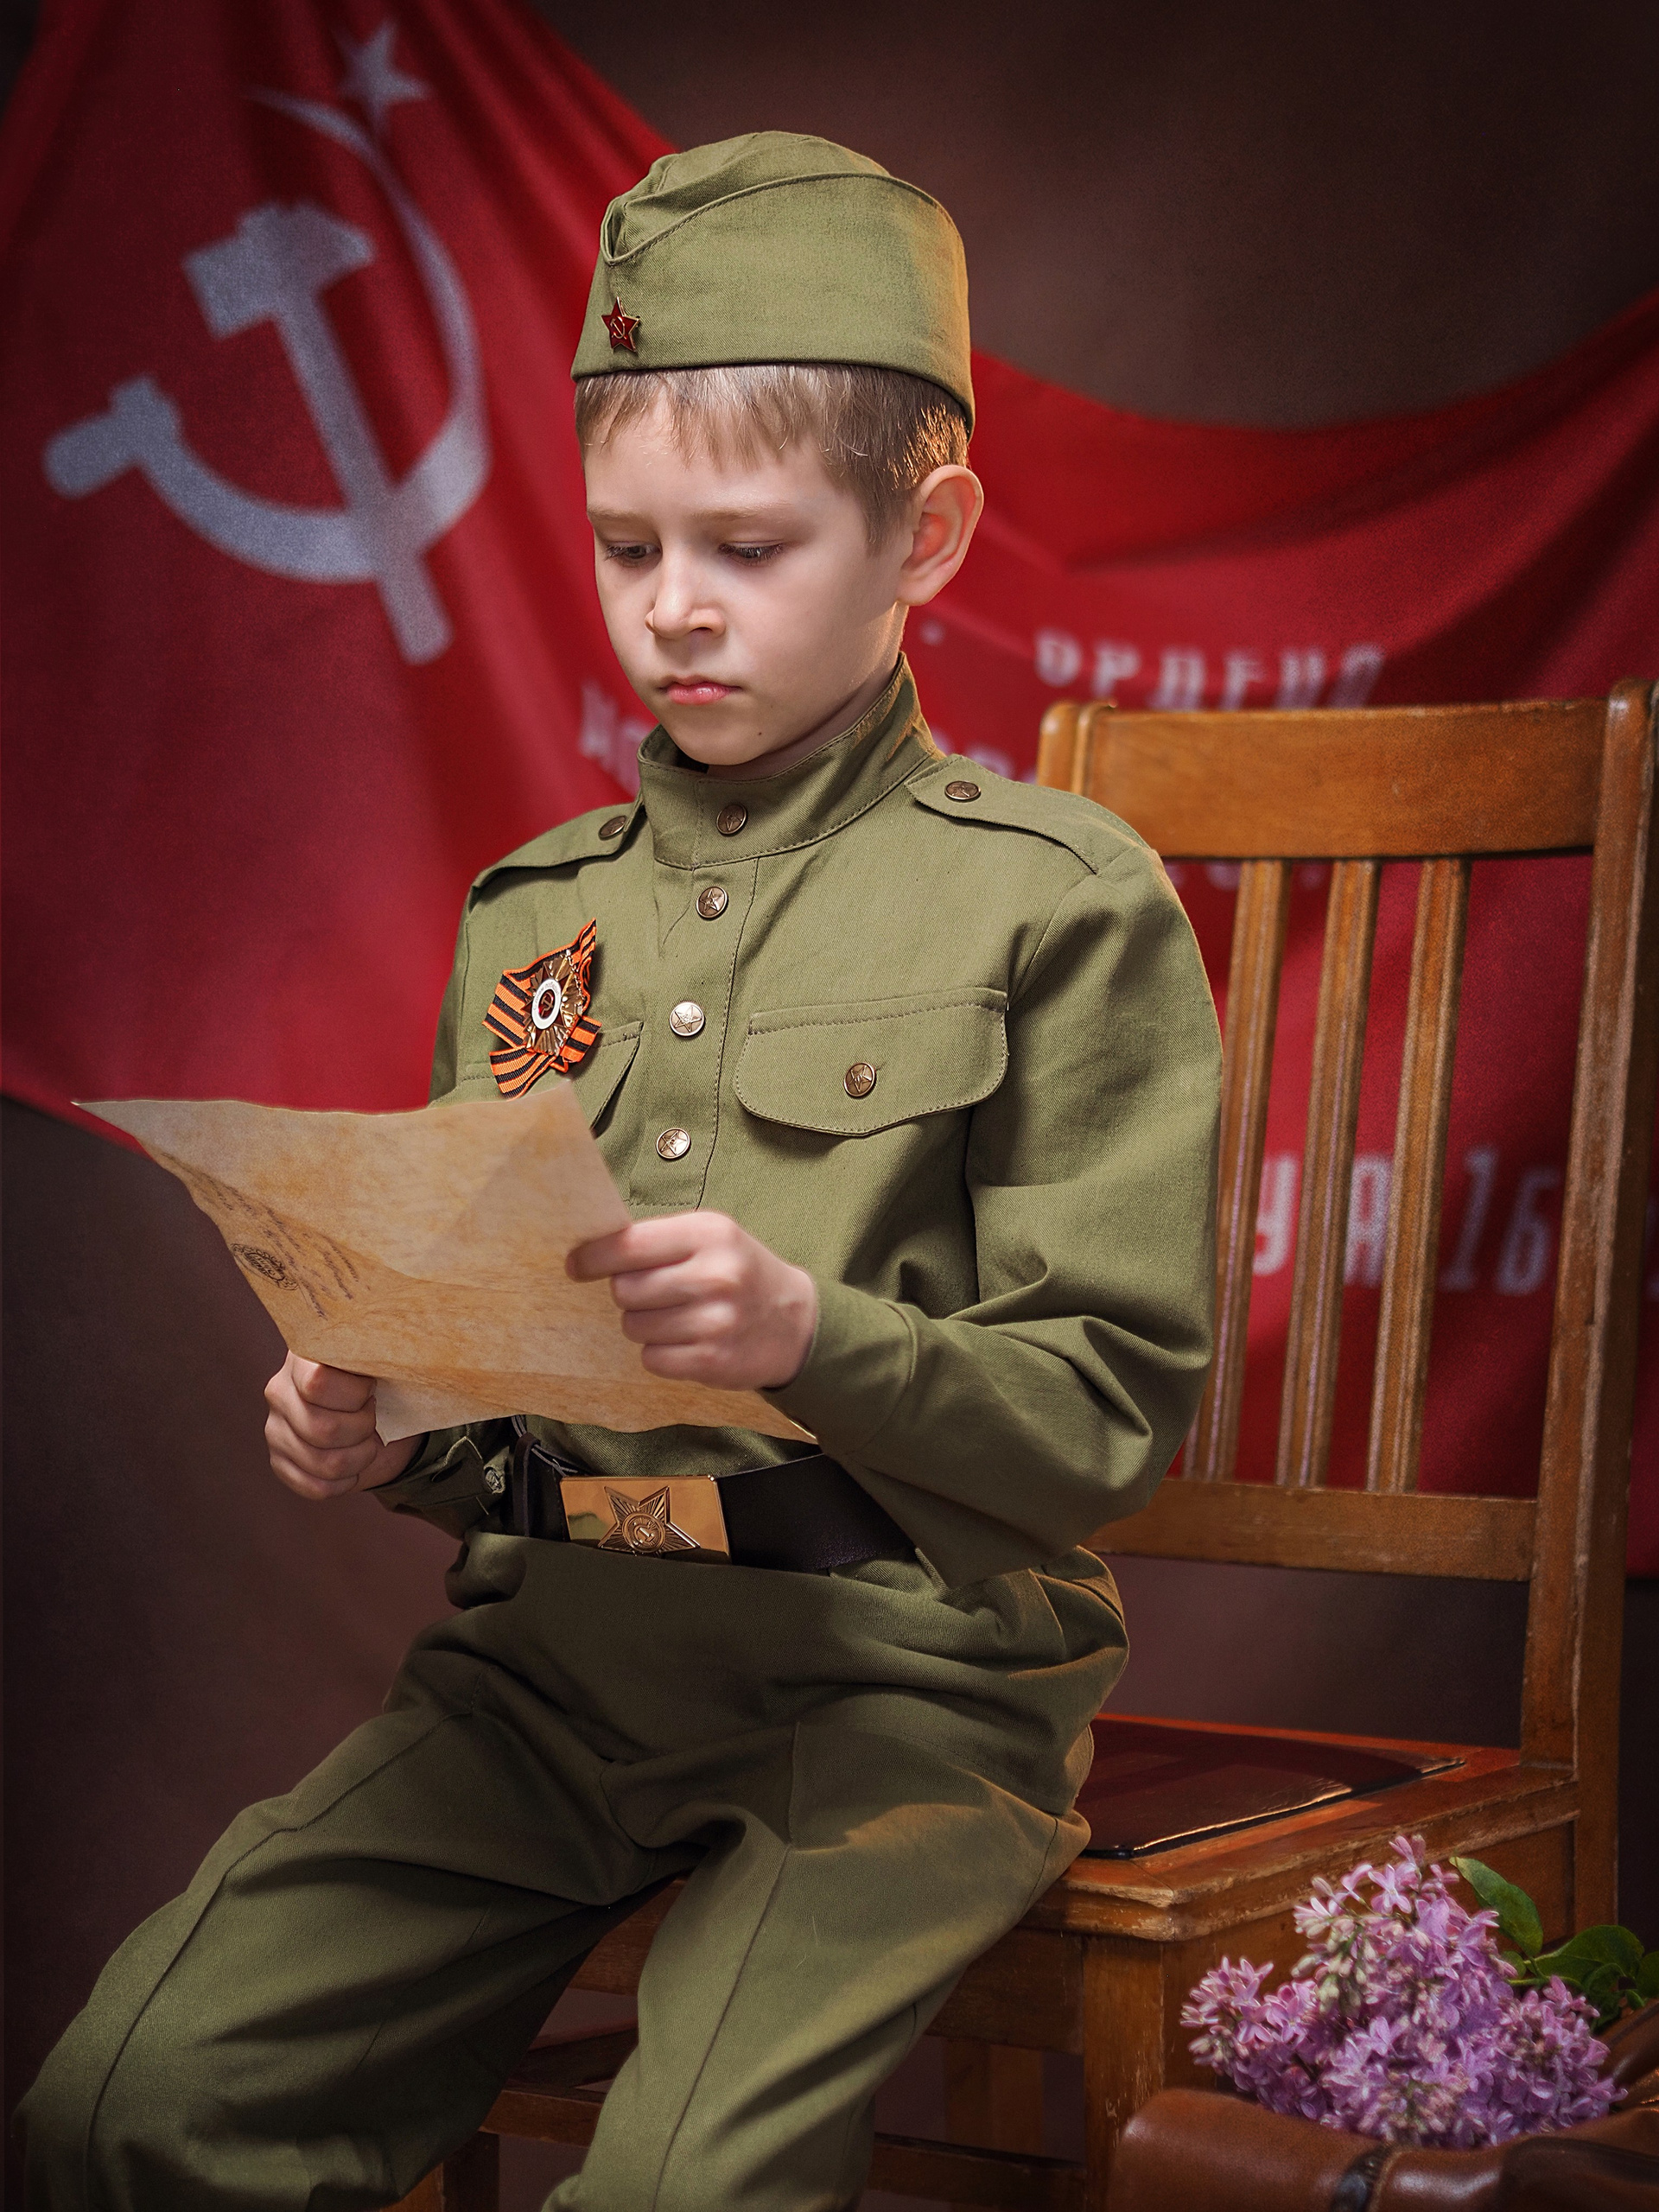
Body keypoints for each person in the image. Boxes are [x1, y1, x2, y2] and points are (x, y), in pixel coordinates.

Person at [21, 133, 1220, 2211]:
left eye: (747, 546)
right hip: (557, 1667)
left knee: (678, 2192)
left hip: (899, 1691)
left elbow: (1104, 1415)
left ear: (924, 536)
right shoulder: (535, 912)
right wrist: (380, 1419)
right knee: (130, 2096)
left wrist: (809, 1329)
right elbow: (489, 1390)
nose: (673, 606)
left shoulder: (1056, 901)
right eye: (627, 543)